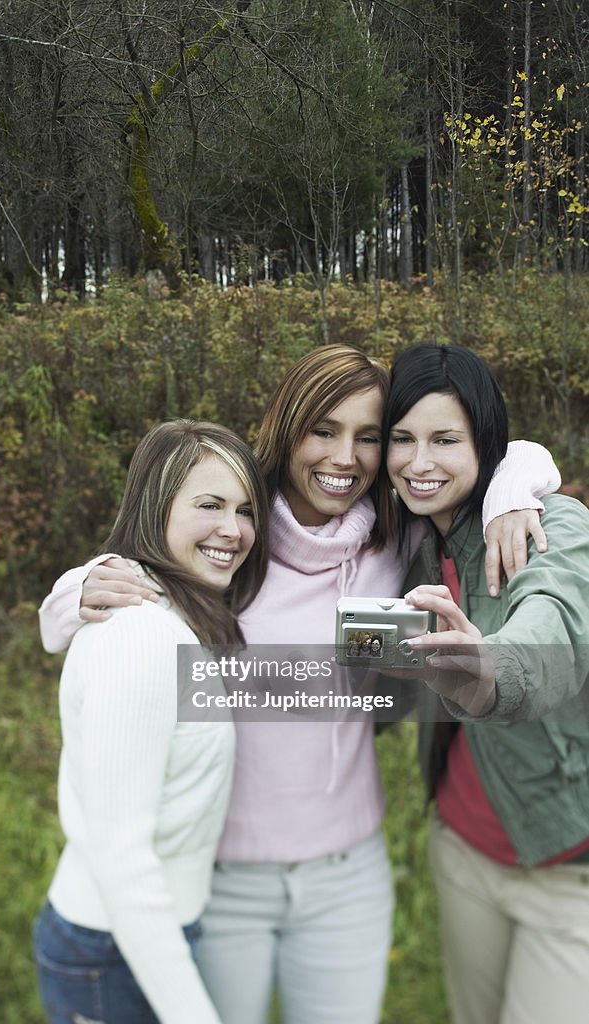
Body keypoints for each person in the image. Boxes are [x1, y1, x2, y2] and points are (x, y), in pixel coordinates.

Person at [38, 346, 560, 1024]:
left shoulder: (395, 540)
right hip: (224, 880)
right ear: (287, 429)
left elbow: (510, 454)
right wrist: (81, 588)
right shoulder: (231, 539)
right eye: (323, 429)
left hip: (347, 873)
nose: (343, 457)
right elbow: (89, 603)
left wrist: (511, 494)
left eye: (367, 437)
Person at [33, 420, 270, 1024]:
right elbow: (121, 855)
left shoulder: (182, 617)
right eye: (210, 505)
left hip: (146, 936)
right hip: (112, 950)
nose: (233, 530)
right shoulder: (137, 636)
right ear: (156, 508)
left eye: (245, 510)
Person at [384, 343, 589, 1024]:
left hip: (567, 866)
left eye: (445, 439)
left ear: (485, 441)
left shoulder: (549, 524)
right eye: (401, 439)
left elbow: (553, 626)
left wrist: (487, 669)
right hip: (461, 849)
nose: (418, 463)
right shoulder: (406, 535)